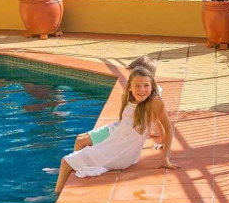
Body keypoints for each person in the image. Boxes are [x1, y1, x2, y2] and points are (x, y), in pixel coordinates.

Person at [54, 61, 176, 194]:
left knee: (65, 162)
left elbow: (168, 127)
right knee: (77, 150)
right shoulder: (127, 98)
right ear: (130, 87)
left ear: (152, 87)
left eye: (146, 85)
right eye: (137, 86)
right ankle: (73, 168)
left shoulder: (154, 101)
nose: (142, 90)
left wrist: (165, 157)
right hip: (117, 145)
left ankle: (55, 194)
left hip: (120, 153)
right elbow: (125, 125)